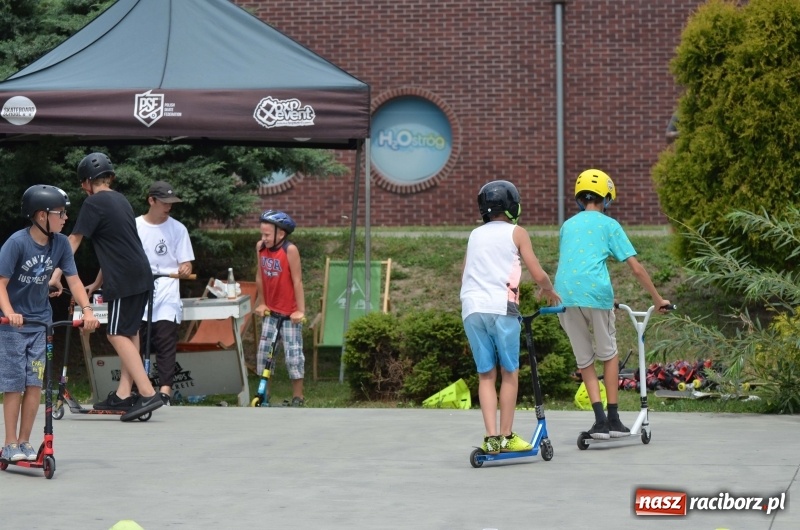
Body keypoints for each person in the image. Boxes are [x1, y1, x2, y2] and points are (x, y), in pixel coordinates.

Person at [555, 168, 670, 439]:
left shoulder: (567, 225)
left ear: (579, 199)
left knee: (585, 360)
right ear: (606, 199)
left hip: (566, 296)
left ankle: (599, 422)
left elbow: (576, 265)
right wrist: (658, 299)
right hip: (596, 295)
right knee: (609, 354)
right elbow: (636, 268)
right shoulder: (610, 225)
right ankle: (614, 418)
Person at [460, 180, 561, 455]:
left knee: (485, 375)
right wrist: (548, 289)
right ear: (512, 205)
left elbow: (466, 272)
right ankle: (506, 436)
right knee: (509, 372)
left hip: (471, 307)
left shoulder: (474, 234)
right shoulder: (517, 232)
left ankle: (491, 438)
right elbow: (537, 272)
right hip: (501, 307)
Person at [0, 185, 99, 462]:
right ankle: (9, 443)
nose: (65, 218)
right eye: (61, 213)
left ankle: (25, 442)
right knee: (13, 384)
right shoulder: (17, 243)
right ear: (42, 216)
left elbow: (74, 280)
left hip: (42, 325)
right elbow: (1, 283)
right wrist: (10, 312)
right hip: (13, 327)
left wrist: (87, 310)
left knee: (34, 384)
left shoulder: (61, 244)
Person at [70, 152, 163, 422]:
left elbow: (73, 241)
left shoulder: (94, 203)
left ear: (88, 181)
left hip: (125, 279)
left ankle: (147, 393)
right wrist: (98, 282)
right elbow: (117, 244)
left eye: (81, 183)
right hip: (140, 275)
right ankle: (124, 395)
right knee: (129, 332)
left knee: (115, 334)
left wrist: (52, 274)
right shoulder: (119, 200)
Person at [136, 181, 195, 405]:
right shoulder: (135, 226)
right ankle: (140, 388)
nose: (168, 208)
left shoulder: (178, 228)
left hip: (167, 289)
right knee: (137, 340)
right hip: (141, 289)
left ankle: (165, 391)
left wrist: (185, 269)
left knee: (165, 339)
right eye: (164, 203)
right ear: (151, 201)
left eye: (171, 203)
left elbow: (186, 263)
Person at [253, 210, 306, 406]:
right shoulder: (261, 248)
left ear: (281, 234)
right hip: (271, 312)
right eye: (262, 234)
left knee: (293, 356)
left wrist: (300, 310)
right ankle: (264, 394)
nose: (263, 238)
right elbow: (260, 276)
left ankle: (298, 396)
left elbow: (297, 280)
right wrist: (262, 302)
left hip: (290, 312)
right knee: (264, 354)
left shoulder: (289, 250)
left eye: (267, 235)